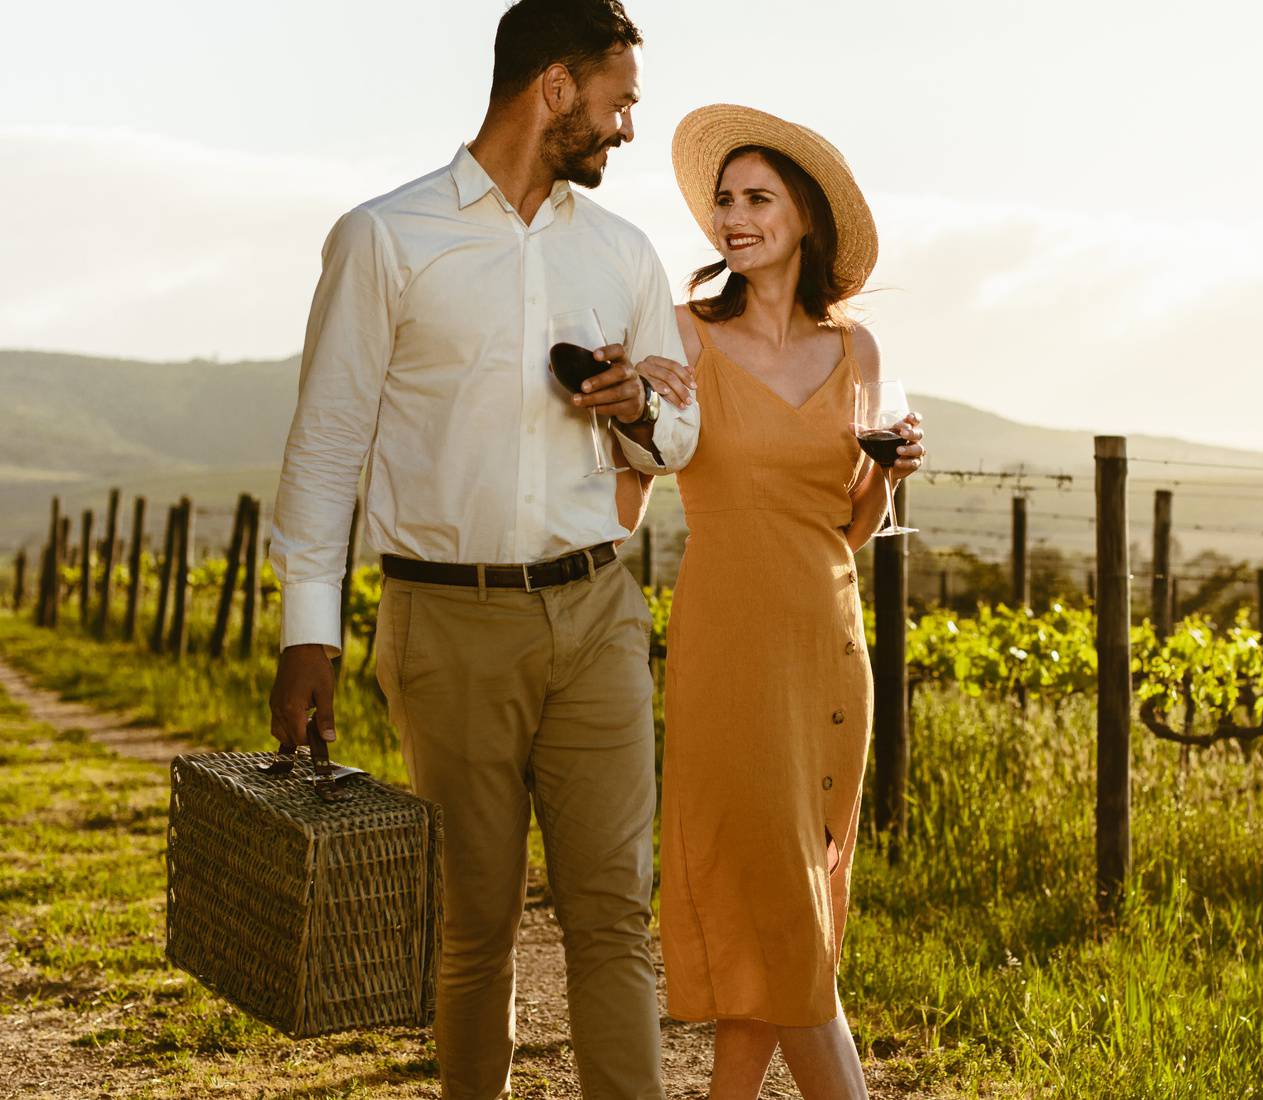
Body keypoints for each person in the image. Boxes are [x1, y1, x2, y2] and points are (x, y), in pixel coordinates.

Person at [264, 2, 696, 1097]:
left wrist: (635, 402)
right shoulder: (386, 237)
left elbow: (682, 432)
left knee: (614, 916)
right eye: (619, 101)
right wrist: (306, 634)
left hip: (598, 608)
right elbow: (324, 449)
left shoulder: (624, 251)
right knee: (476, 921)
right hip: (444, 622)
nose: (628, 129)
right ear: (555, 88)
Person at [635, 105, 926, 1100]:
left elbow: (842, 529)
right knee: (782, 905)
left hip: (831, 651)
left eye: (757, 198)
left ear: (804, 217)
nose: (734, 217)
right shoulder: (681, 336)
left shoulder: (861, 354)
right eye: (725, 200)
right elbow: (640, 457)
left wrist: (889, 476)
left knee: (792, 899)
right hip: (729, 644)